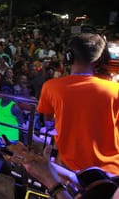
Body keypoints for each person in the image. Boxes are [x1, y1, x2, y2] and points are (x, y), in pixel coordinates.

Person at [37, 33, 119, 175]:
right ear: (99, 60)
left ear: (69, 56)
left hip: (69, 170)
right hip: (111, 172)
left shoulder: (50, 87)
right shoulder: (115, 89)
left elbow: (48, 118)